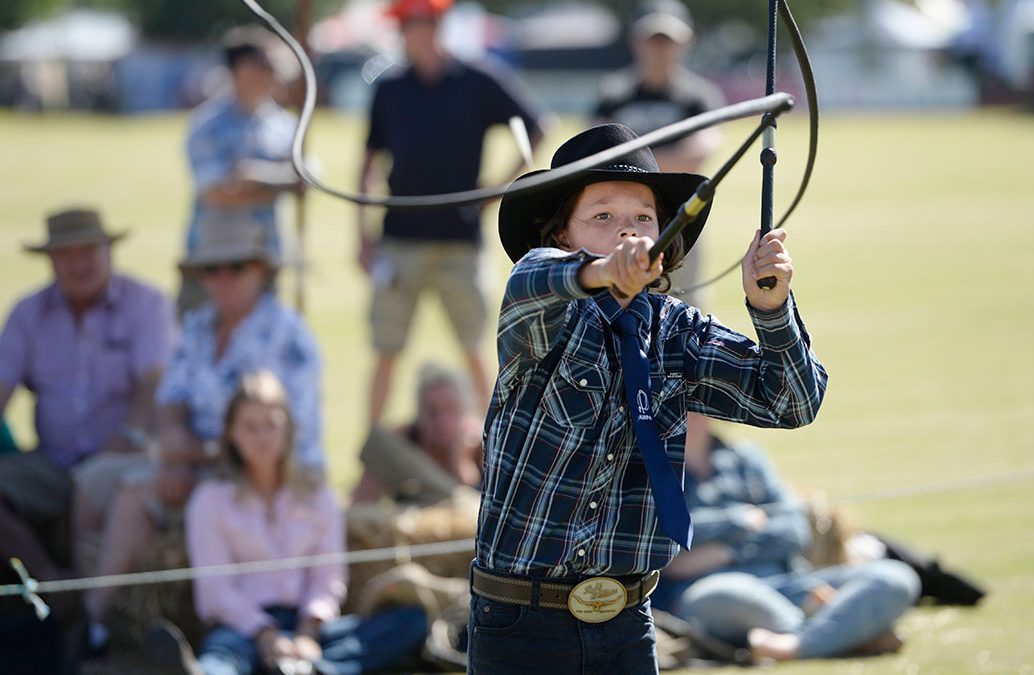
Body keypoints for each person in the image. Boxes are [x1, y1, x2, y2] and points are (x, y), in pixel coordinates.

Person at [468, 123, 827, 674]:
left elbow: (792, 403)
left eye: (643, 218)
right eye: (603, 217)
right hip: (518, 626)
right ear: (562, 235)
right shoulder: (538, 304)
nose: (628, 234)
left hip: (629, 622)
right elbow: (536, 279)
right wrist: (604, 271)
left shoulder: (676, 330)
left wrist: (772, 311)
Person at [83, 214, 323, 650]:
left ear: (261, 270)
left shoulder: (289, 336)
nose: (224, 278)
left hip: (263, 472)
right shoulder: (198, 325)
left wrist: (188, 455)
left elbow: (277, 442)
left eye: (236, 266)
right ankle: (85, 596)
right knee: (90, 480)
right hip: (198, 459)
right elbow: (171, 394)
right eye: (213, 269)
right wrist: (174, 441)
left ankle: (93, 620)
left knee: (134, 496)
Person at [145, 371, 428, 675]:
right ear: (231, 433)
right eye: (250, 427)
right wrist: (265, 634)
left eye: (271, 425)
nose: (262, 437)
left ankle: (311, 668)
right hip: (243, 629)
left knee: (408, 622)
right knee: (225, 654)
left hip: (307, 627)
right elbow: (215, 591)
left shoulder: (317, 495)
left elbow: (328, 577)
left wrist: (308, 634)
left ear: (288, 429)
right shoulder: (210, 500)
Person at [356, 0, 547, 424]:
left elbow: (535, 128)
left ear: (437, 25)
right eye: (404, 27)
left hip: (460, 241)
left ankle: (493, 452)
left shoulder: (477, 80)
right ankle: (372, 452)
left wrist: (496, 190)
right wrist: (362, 235)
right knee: (386, 351)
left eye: (416, 25)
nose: (409, 35)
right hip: (399, 239)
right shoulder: (390, 88)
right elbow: (368, 161)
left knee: (476, 349)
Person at [0, 208, 174, 641]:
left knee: (102, 485)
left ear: (109, 252)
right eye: (66, 253)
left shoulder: (146, 304)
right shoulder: (28, 313)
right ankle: (55, 588)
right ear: (51, 260)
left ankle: (97, 618)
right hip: (53, 463)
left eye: (89, 251)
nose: (80, 264)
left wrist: (125, 440)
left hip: (123, 457)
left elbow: (151, 387)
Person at [654, 430, 921, 662]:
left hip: (791, 585)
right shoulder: (647, 467)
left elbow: (794, 530)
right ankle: (843, 632)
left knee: (895, 578)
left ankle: (794, 645)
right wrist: (737, 520)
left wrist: (725, 551)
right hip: (707, 595)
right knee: (730, 592)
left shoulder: (745, 457)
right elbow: (664, 539)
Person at [594, 0, 726, 304]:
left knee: (684, 306)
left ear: (686, 43)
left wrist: (631, 160)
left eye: (667, 41)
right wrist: (667, 161)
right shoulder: (614, 94)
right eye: (652, 39)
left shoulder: (698, 96)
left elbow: (700, 152)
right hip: (622, 222)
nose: (659, 49)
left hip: (683, 219)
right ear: (636, 41)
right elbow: (598, 153)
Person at [180, 27, 300, 313]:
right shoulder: (208, 124)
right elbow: (217, 193)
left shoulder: (284, 125)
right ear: (237, 71)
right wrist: (279, 185)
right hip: (212, 260)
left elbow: (306, 179)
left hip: (264, 258)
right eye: (262, 66)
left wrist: (254, 176)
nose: (271, 73)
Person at [350, 362, 482, 505]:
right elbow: (360, 501)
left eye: (451, 410)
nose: (442, 422)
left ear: (465, 412)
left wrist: (461, 461)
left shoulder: (481, 443)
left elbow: (477, 508)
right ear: (420, 414)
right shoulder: (404, 442)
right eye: (433, 412)